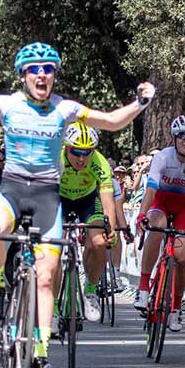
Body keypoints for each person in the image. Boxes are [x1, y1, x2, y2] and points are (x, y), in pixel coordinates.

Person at [0, 42, 154, 368]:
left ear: (55, 75)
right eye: (34, 69)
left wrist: (141, 102)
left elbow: (113, 122)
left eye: (48, 69)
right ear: (23, 75)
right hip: (12, 190)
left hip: (46, 196)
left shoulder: (65, 109)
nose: (42, 75)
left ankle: (40, 353)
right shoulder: (6, 104)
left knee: (47, 274)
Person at [132, 115, 185, 334]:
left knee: (183, 257)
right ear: (175, 137)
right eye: (183, 135)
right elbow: (151, 190)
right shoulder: (163, 157)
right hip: (162, 201)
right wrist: (142, 214)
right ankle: (144, 287)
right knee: (156, 229)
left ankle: (175, 308)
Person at [57, 122, 116, 322]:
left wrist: (112, 228)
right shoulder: (56, 158)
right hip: (59, 201)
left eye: (87, 152)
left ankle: (90, 291)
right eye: (76, 152)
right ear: (66, 147)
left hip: (88, 202)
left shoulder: (98, 162)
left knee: (99, 242)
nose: (82, 158)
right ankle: (54, 307)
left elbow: (107, 196)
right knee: (53, 248)